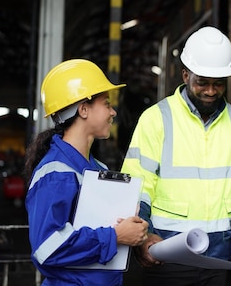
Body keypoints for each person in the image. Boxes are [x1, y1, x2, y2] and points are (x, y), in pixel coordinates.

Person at [121, 25, 231, 286]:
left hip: (218, 258)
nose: (211, 91)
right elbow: (137, 187)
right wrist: (146, 237)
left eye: (218, 84)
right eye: (202, 82)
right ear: (185, 75)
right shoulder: (156, 119)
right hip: (167, 255)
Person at [24, 59, 149, 286]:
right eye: (107, 104)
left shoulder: (97, 170)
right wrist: (116, 236)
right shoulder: (56, 174)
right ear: (83, 109)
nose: (113, 112)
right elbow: (46, 248)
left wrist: (130, 224)